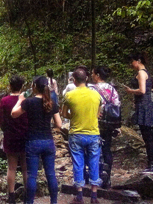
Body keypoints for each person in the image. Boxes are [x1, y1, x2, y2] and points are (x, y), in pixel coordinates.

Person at [12, 76, 62, 204]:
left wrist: (20, 100)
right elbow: (59, 124)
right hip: (48, 142)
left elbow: (14, 114)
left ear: (34, 87)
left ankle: (29, 202)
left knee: (32, 175)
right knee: (51, 174)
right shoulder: (52, 103)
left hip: (33, 141)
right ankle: (54, 202)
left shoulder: (29, 102)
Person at [62, 67, 102, 204]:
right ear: (86, 79)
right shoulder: (96, 95)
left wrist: (73, 116)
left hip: (76, 133)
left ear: (73, 80)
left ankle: (79, 195)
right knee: (94, 163)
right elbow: (98, 113)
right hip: (93, 133)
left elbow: (64, 114)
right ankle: (94, 196)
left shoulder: (69, 95)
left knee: (78, 164)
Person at [125, 52, 153, 173]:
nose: (131, 64)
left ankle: (152, 164)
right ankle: (151, 163)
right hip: (144, 105)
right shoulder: (145, 72)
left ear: (138, 60)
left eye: (132, 61)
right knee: (147, 137)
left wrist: (130, 91)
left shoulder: (141, 73)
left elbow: (142, 90)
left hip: (144, 106)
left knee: (148, 137)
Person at [89, 66, 120, 189]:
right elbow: (117, 105)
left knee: (94, 150)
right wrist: (117, 125)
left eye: (92, 73)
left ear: (97, 75)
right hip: (108, 124)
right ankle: (107, 178)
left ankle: (95, 177)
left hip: (94, 123)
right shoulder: (112, 89)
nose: (92, 75)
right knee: (107, 149)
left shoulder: (91, 89)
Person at [0, 76, 28, 204]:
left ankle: (11, 196)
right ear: (22, 87)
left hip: (10, 137)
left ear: (10, 86)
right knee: (26, 168)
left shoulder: (4, 101)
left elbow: (2, 123)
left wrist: (7, 131)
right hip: (26, 137)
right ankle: (28, 193)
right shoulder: (27, 100)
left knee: (11, 167)